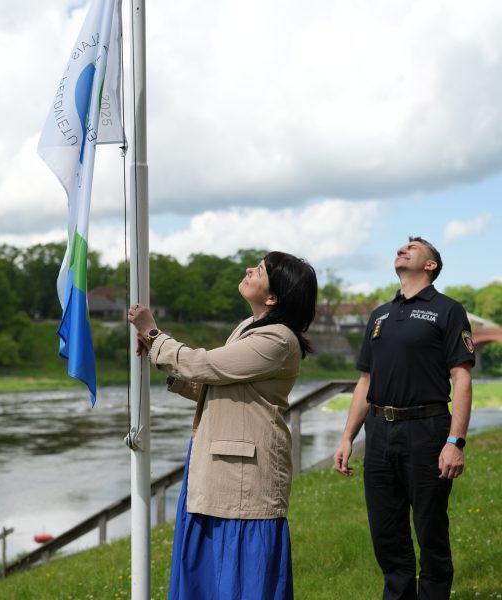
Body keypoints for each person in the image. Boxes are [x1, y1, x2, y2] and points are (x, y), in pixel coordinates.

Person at [128, 251, 318, 600]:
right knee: (209, 580)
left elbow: (205, 365)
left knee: (241, 581)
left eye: (259, 270)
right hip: (218, 471)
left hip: (245, 481)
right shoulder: (248, 328)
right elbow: (216, 383)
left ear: (273, 297)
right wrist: (167, 365)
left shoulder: (277, 339)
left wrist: (154, 334)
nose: (249, 269)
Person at [333, 236, 475, 600]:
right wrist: (348, 437)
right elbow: (365, 381)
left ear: (430, 264)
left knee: (430, 530)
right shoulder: (380, 315)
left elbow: (461, 377)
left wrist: (455, 441)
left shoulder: (448, 310)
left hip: (427, 431)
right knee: (387, 534)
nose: (404, 248)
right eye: (402, 245)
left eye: (414, 246)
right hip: (379, 433)